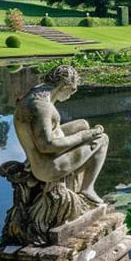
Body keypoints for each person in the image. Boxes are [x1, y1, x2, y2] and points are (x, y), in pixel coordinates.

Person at [13, 64, 108, 204]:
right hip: (47, 168)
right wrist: (84, 136)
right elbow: (46, 145)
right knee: (102, 139)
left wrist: (85, 132)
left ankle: (31, 166)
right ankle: (87, 188)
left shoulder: (38, 91)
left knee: (82, 124)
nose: (70, 95)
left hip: (37, 158)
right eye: (71, 90)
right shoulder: (42, 107)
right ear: (64, 86)